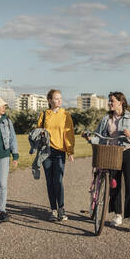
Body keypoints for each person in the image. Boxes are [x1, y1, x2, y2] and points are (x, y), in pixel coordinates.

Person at [85, 92, 130, 232]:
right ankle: (118, 215)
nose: (110, 103)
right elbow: (99, 137)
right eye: (109, 101)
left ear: (120, 102)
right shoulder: (106, 119)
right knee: (114, 185)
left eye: (112, 101)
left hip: (128, 153)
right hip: (112, 154)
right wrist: (90, 139)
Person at [37, 89, 75, 222]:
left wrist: (70, 151)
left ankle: (62, 209)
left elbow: (68, 135)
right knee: (49, 181)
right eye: (56, 98)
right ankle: (53, 210)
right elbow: (37, 131)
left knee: (58, 181)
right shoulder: (44, 114)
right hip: (45, 151)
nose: (59, 100)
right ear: (49, 100)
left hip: (59, 152)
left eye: (60, 98)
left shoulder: (65, 115)